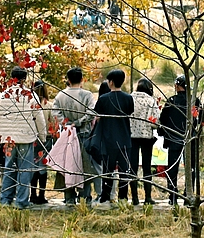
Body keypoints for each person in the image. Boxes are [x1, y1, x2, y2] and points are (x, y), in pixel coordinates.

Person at [0, 66, 45, 209]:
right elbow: (39, 117)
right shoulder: (30, 95)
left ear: (12, 77)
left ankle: (6, 199)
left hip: (8, 138)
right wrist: (42, 136)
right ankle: (21, 201)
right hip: (26, 136)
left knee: (9, 168)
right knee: (24, 170)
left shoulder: (4, 95)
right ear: (24, 79)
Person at [54, 67, 97, 205]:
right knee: (85, 165)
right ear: (82, 79)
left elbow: (56, 113)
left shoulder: (61, 95)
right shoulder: (87, 95)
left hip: (67, 134)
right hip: (84, 133)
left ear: (68, 79)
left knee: (68, 165)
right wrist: (79, 122)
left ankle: (69, 197)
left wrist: (66, 123)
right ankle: (85, 196)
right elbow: (91, 113)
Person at [94, 69, 135, 206]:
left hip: (108, 139)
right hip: (125, 138)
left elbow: (98, 116)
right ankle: (123, 198)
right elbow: (130, 112)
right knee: (124, 171)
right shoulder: (128, 98)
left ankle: (105, 197)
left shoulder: (103, 99)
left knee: (107, 170)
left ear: (111, 82)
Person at [159, 76, 193, 206]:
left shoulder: (171, 101)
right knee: (191, 168)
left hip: (173, 138)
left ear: (177, 86)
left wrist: (163, 132)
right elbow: (203, 116)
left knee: (172, 168)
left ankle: (172, 195)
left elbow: (163, 119)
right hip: (190, 138)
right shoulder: (193, 100)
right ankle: (188, 195)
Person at [129, 78, 161, 205]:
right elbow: (155, 122)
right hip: (146, 137)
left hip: (132, 136)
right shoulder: (151, 101)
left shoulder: (130, 98)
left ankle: (134, 198)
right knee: (147, 167)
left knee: (133, 167)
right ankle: (148, 197)